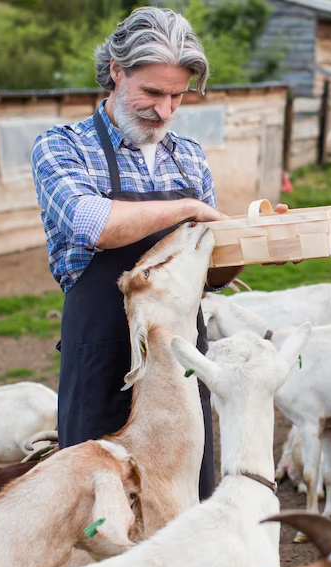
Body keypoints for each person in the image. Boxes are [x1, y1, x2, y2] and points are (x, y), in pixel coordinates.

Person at [31, 7, 288, 501]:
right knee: (98, 507)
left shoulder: (188, 154)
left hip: (182, 362)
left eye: (177, 96)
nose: (166, 110)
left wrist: (256, 243)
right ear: (116, 71)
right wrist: (190, 208)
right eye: (153, 92)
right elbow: (96, 226)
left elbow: (211, 273)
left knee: (185, 500)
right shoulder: (62, 148)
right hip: (104, 357)